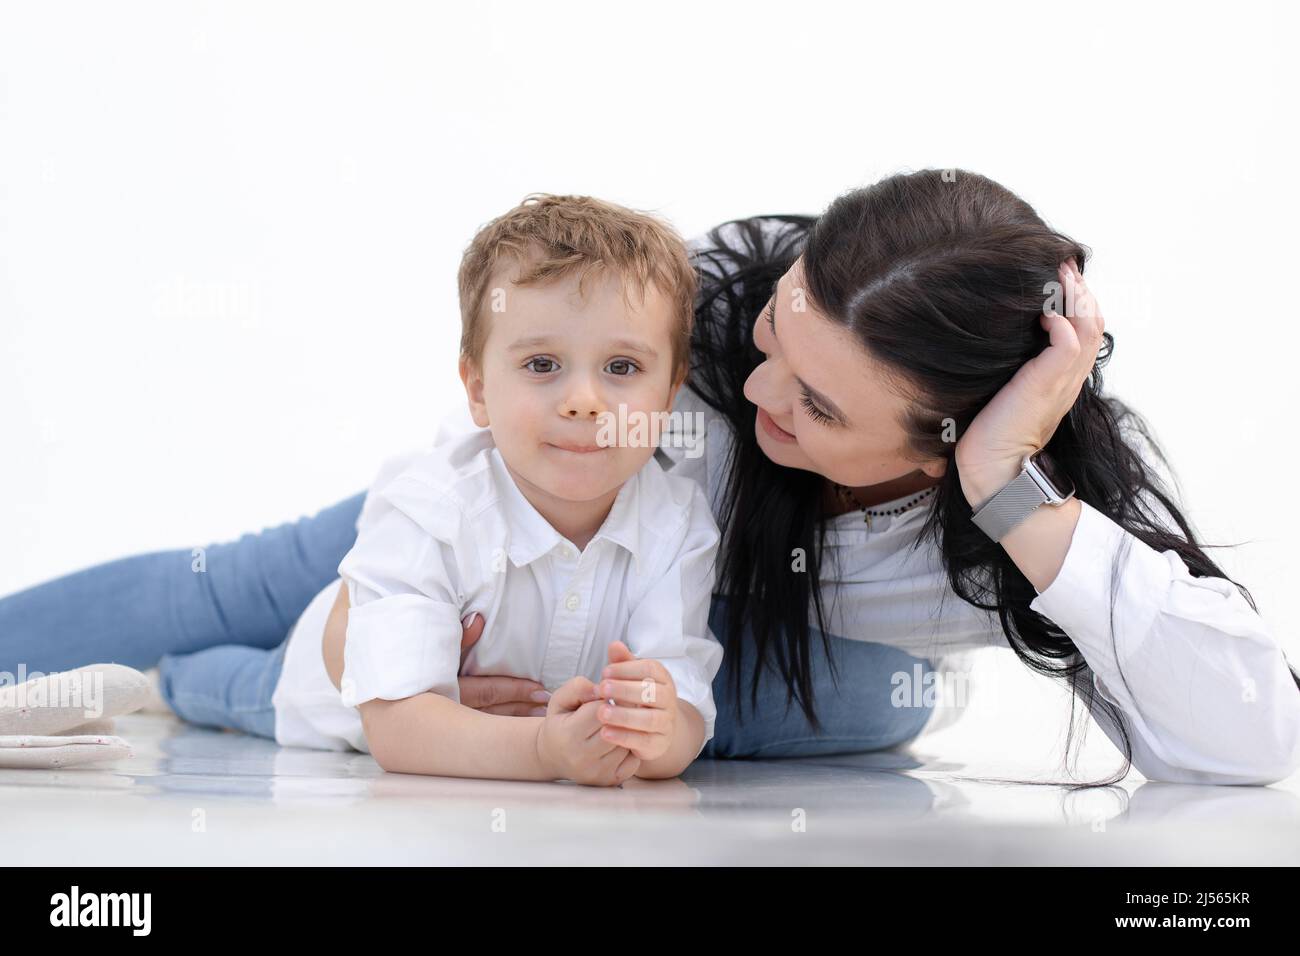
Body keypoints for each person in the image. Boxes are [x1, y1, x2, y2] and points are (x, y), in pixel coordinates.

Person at [5, 170, 1297, 785]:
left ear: (937, 448)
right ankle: (221, 677)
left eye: (816, 406)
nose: (753, 388)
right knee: (270, 584)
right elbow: (545, 386)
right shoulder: (717, 309)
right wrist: (447, 645)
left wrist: (1008, 488)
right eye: (777, 332)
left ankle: (251, 692)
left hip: (687, 635)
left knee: (874, 706)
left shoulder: (1007, 512)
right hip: (547, 522)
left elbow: (1256, 744)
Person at [157, 194, 724, 786]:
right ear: (477, 390)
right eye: (542, 364)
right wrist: (543, 751)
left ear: (669, 395)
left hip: (484, 722)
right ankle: (168, 678)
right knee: (227, 688)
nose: (584, 401)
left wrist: (658, 732)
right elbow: (396, 729)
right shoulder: (435, 506)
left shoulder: (677, 523)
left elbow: (685, 710)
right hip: (330, 693)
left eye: (622, 367)